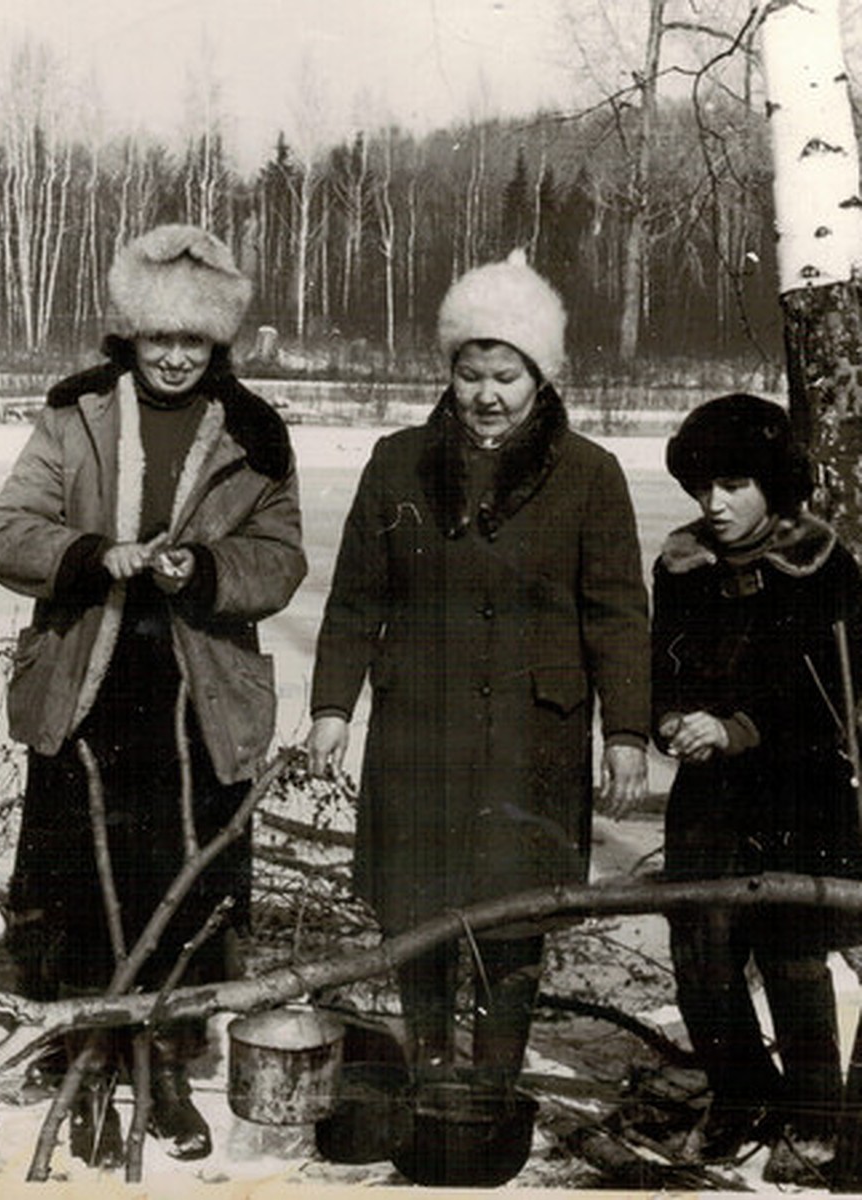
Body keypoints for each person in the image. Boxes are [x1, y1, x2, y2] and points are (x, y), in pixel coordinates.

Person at [0, 224, 306, 1165]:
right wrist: (90, 554)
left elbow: (279, 560)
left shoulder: (255, 433)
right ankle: (87, 1066)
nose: (174, 357)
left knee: (185, 885)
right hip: (86, 686)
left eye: (193, 342)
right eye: (158, 338)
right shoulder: (75, 413)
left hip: (197, 697)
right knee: (78, 883)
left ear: (217, 345)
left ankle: (164, 1068)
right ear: (128, 336)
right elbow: (11, 531)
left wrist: (200, 569)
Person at [306, 251, 650, 1099]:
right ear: (449, 374)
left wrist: (629, 733)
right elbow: (355, 599)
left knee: (514, 909)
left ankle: (495, 1075)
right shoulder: (397, 463)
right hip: (421, 727)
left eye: (506, 374)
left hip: (535, 736)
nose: (486, 394)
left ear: (541, 376)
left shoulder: (591, 476)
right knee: (417, 905)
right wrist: (330, 708)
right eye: (470, 374)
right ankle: (427, 1062)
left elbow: (617, 613)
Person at [652, 393, 862, 1184]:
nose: (713, 506)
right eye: (703, 487)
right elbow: (660, 665)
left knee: (793, 954)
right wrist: (672, 719)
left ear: (772, 484)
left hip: (800, 788)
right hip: (707, 792)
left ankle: (815, 1113)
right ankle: (741, 1096)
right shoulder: (681, 567)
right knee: (700, 952)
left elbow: (829, 697)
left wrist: (737, 727)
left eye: (733, 485)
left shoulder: (825, 568)